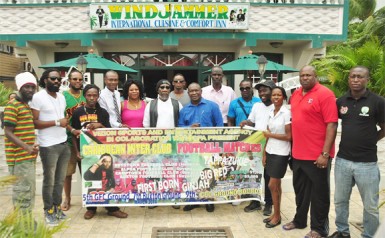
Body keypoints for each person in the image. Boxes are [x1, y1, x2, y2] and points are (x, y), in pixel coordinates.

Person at [328, 66, 385, 238]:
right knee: (340, 200)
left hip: (367, 163)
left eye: (360, 77)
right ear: (348, 79)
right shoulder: (341, 101)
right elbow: (331, 123)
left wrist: (371, 140)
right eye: (352, 76)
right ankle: (343, 232)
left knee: (370, 206)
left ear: (367, 80)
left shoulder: (378, 101)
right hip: (343, 161)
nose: (355, 80)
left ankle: (370, 235)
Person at [283, 65, 338, 238]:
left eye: (308, 75)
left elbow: (332, 124)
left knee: (319, 195)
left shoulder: (325, 94)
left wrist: (325, 154)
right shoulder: (296, 95)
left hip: (317, 156)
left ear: (315, 76)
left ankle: (319, 228)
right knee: (300, 192)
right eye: (302, 75)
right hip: (298, 154)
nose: (305, 78)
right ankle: (300, 220)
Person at [71, 84, 128, 219]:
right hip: (84, 153)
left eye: (95, 95)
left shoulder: (103, 112)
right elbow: (73, 134)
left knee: (106, 179)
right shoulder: (78, 112)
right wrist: (76, 152)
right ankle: (91, 208)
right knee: (89, 180)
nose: (92, 98)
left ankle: (112, 208)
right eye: (89, 95)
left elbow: (108, 133)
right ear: (85, 96)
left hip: (101, 153)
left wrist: (100, 125)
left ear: (98, 96)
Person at [30, 68, 71, 226]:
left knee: (59, 180)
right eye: (53, 78)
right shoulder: (37, 97)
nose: (56, 81)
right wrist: (56, 123)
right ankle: (48, 211)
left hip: (63, 143)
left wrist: (70, 128)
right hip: (48, 145)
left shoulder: (61, 97)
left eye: (58, 79)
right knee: (49, 181)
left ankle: (57, 208)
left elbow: (62, 119)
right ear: (45, 80)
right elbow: (34, 122)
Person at [179, 82, 223, 212]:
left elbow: (220, 126)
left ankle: (208, 199)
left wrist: (218, 146)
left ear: (201, 91)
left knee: (208, 173)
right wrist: (188, 128)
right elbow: (179, 127)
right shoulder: (184, 110)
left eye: (196, 90)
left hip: (209, 146)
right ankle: (193, 200)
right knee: (193, 174)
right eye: (191, 91)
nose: (194, 93)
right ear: (188, 93)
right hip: (191, 148)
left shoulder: (212, 106)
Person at [239, 79, 276, 216]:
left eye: (265, 90)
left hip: (272, 146)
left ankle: (269, 203)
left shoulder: (277, 107)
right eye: (260, 91)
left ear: (272, 91)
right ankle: (255, 201)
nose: (262, 93)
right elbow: (252, 121)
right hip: (257, 147)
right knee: (255, 174)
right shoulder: (256, 106)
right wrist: (245, 122)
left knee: (269, 176)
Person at [4, 72, 38, 215]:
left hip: (27, 158)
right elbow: (8, 132)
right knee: (22, 194)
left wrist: (32, 147)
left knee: (28, 192)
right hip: (19, 159)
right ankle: (23, 228)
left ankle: (27, 224)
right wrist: (27, 147)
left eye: (32, 87)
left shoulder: (24, 105)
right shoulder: (13, 106)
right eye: (26, 87)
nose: (30, 90)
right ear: (19, 88)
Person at [262, 86, 291, 228]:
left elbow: (288, 136)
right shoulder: (271, 111)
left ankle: (278, 216)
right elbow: (268, 133)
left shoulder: (286, 112)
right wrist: (264, 153)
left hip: (281, 153)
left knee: (272, 185)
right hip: (270, 150)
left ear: (284, 97)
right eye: (274, 95)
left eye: (279, 95)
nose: (276, 97)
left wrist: (270, 135)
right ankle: (275, 213)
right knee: (276, 186)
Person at [61, 70, 86, 211]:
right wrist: (71, 130)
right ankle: (67, 199)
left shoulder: (86, 95)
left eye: (80, 79)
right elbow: (63, 118)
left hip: (85, 141)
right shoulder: (63, 96)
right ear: (69, 80)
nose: (78, 81)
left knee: (87, 171)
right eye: (75, 79)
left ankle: (87, 196)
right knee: (68, 173)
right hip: (69, 139)